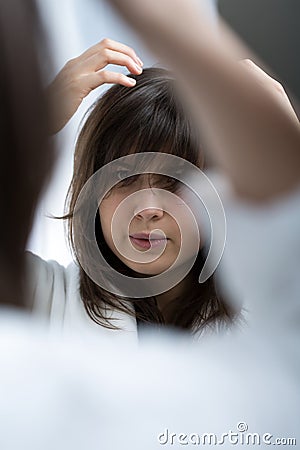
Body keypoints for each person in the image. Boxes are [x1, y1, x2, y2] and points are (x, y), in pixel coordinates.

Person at [28, 38, 238, 341]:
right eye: (124, 176)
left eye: (175, 180)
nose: (146, 209)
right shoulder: (43, 300)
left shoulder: (265, 320)